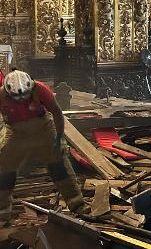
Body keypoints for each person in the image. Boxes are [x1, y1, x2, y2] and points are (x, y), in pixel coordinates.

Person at [0, 70, 90, 222]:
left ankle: (77, 203)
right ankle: (2, 210)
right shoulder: (1, 95)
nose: (22, 100)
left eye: (25, 96)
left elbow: (56, 112)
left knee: (58, 164)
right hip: (16, 131)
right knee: (4, 167)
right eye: (17, 98)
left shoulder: (40, 89)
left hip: (43, 128)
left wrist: (60, 138)